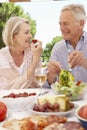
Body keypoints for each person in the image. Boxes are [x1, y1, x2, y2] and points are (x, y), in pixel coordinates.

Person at [46, 4, 87, 87]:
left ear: (81, 24)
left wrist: (84, 63)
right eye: (60, 24)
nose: (61, 28)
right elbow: (48, 85)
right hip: (66, 98)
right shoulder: (58, 48)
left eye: (65, 24)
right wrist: (51, 75)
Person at [0, 16, 42, 89]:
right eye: (26, 33)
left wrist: (36, 57)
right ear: (14, 36)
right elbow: (13, 87)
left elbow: (38, 83)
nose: (31, 35)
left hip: (31, 99)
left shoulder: (33, 53)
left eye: (30, 32)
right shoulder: (2, 56)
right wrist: (35, 60)